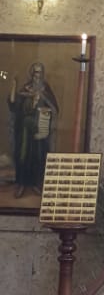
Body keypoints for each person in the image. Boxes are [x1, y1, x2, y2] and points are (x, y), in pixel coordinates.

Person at [7, 62, 59, 198]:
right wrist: (14, 85)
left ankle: (35, 184)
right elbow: (13, 105)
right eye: (36, 72)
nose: (38, 75)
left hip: (40, 131)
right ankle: (21, 184)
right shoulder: (26, 88)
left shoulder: (46, 89)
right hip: (24, 131)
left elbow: (54, 109)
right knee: (23, 156)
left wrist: (41, 100)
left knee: (38, 156)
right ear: (32, 73)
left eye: (40, 72)